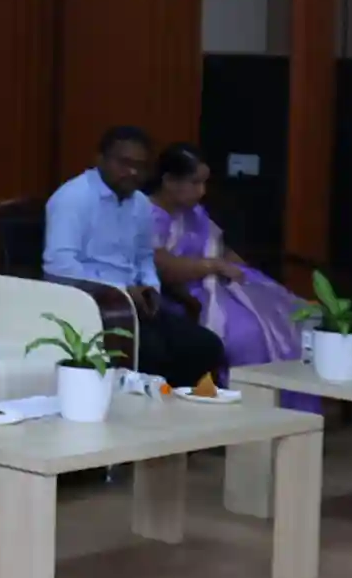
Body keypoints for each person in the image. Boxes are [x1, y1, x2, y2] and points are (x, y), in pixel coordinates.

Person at [42, 124, 228, 390]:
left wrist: (151, 287)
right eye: (124, 163)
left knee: (206, 345)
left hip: (134, 304)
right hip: (91, 305)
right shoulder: (73, 198)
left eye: (140, 166)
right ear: (100, 160)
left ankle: (176, 410)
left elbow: (143, 257)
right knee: (155, 353)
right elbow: (59, 267)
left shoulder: (140, 203)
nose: (132, 172)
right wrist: (121, 290)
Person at [147, 144, 312, 404]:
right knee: (248, 334)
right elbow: (163, 267)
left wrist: (245, 275)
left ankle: (288, 409)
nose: (202, 191)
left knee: (289, 315)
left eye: (204, 183)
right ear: (169, 181)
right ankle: (248, 407)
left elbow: (220, 248)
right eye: (195, 183)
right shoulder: (148, 214)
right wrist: (213, 266)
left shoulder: (194, 212)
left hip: (219, 284)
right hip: (183, 295)